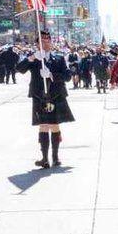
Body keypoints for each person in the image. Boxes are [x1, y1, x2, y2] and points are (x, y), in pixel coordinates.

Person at [15, 30, 75, 168]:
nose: (46, 43)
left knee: (54, 125)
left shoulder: (59, 58)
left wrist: (51, 75)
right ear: (37, 44)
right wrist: (30, 59)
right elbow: (19, 69)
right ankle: (44, 158)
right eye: (42, 41)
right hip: (39, 95)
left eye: (48, 41)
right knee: (43, 125)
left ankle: (55, 157)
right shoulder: (34, 58)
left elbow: (67, 76)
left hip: (56, 94)